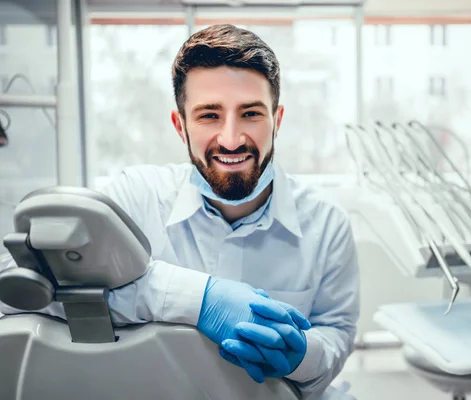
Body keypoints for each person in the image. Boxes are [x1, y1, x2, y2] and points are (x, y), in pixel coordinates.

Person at [0, 24, 359, 399]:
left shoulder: (327, 224)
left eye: (250, 113)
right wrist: (197, 299)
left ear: (277, 120)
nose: (231, 139)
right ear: (180, 126)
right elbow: (18, 287)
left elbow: (337, 332)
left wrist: (303, 356)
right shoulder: (136, 198)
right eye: (209, 116)